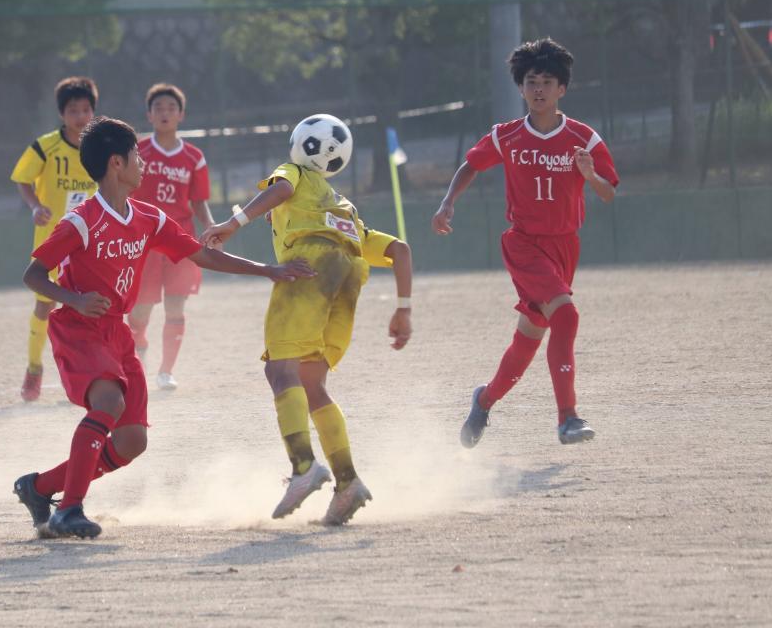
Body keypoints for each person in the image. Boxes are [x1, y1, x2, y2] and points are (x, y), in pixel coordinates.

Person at [13, 117, 313, 539]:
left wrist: (267, 269)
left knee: (132, 441)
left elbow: (203, 256)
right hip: (79, 328)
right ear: (116, 163)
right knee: (108, 402)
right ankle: (70, 509)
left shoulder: (148, 218)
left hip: (116, 332)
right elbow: (33, 275)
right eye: (136, 156)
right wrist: (75, 298)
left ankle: (40, 488)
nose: (144, 164)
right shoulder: (81, 221)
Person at [200, 126, 414, 526]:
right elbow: (399, 250)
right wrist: (403, 310)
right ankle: (347, 482)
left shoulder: (293, 171)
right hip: (349, 279)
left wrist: (233, 223)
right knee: (312, 384)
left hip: (310, 266)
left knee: (280, 370)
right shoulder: (344, 209)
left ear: (299, 144)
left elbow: (281, 189)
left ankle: (303, 466)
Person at [431, 37, 619, 448]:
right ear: (520, 87)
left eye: (547, 82)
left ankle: (484, 400)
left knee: (529, 337)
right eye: (531, 81)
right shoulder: (508, 135)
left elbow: (608, 192)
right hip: (523, 244)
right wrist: (447, 202)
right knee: (565, 316)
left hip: (564, 247)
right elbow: (471, 165)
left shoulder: (584, 139)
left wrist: (590, 176)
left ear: (562, 89)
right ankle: (568, 418)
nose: (539, 89)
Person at [10, 77, 99, 402]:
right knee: (45, 304)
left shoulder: (100, 147)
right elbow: (22, 179)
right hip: (52, 241)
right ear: (62, 113)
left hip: (88, 242)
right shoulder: (45, 146)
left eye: (86, 110)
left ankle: (90, 372)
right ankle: (34, 368)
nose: (80, 116)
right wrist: (36, 206)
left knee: (91, 307)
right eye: (73, 110)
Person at [129, 83, 214, 391]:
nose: (165, 113)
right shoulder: (137, 151)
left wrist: (211, 225)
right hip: (145, 241)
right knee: (139, 311)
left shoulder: (194, 157)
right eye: (159, 108)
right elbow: (124, 192)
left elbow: (199, 201)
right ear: (149, 115)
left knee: (176, 307)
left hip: (180, 240)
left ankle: (166, 371)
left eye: (171, 108)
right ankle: (139, 345)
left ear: (181, 115)